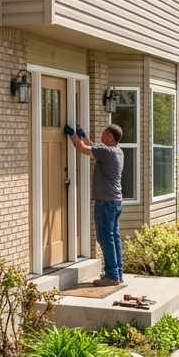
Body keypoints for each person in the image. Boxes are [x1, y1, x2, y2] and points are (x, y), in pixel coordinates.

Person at [64, 122, 124, 286]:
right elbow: (93, 148)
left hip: (105, 203)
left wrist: (71, 134)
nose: (102, 136)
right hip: (116, 202)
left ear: (110, 136)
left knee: (105, 238)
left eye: (104, 133)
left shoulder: (107, 152)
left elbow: (82, 149)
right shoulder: (117, 152)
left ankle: (111, 276)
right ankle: (117, 272)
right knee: (114, 238)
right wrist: (82, 136)